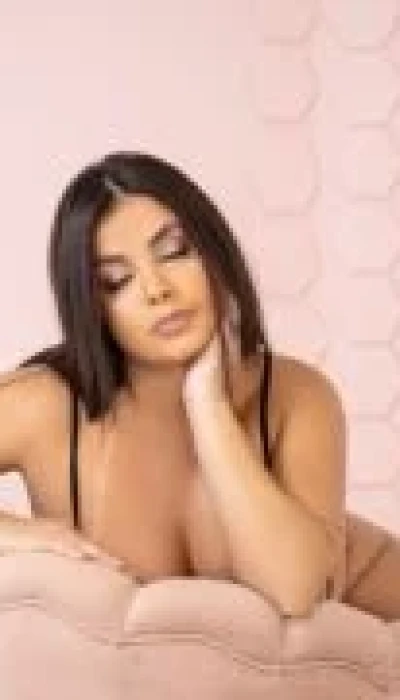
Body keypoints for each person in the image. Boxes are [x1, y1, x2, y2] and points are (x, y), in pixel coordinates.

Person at [0, 151, 398, 621]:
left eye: (174, 251)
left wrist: (208, 405)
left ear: (214, 251)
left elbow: (295, 594)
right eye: (116, 280)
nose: (156, 289)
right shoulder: (46, 405)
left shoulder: (296, 397)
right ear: (92, 307)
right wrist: (21, 534)